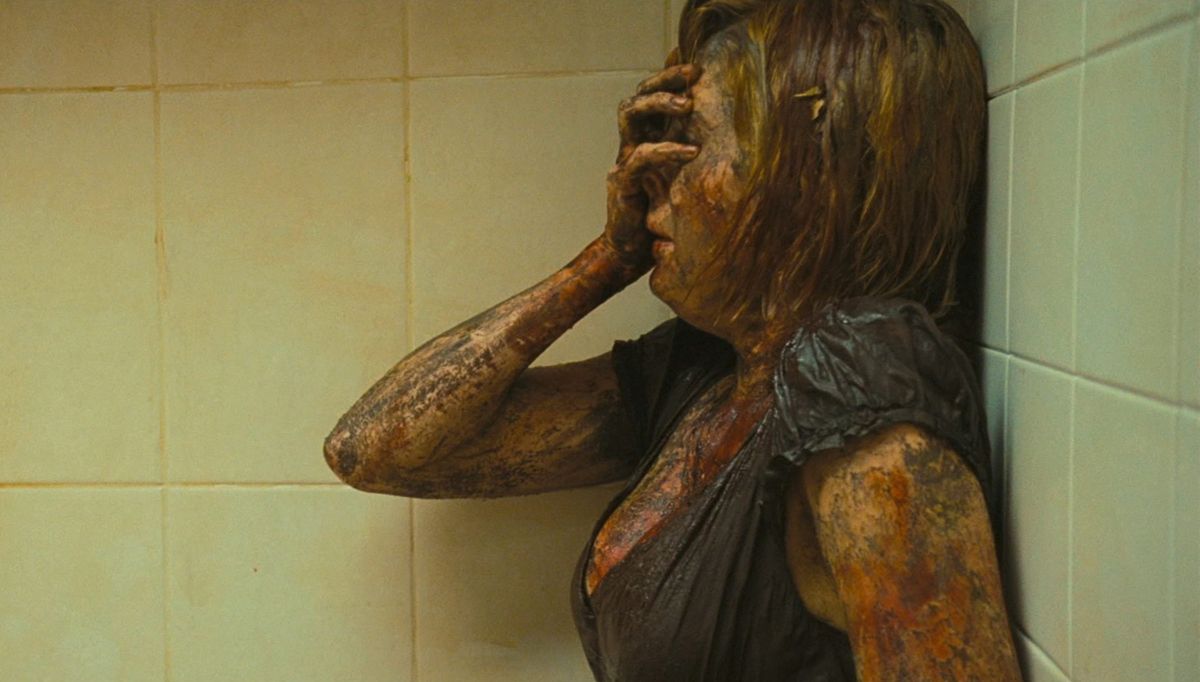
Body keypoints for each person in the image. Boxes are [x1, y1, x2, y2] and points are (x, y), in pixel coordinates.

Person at [324, 0, 1023, 679]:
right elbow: (373, 451)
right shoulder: (707, 373)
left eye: (691, 144)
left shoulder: (862, 374)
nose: (651, 175)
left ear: (811, 175)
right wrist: (606, 260)